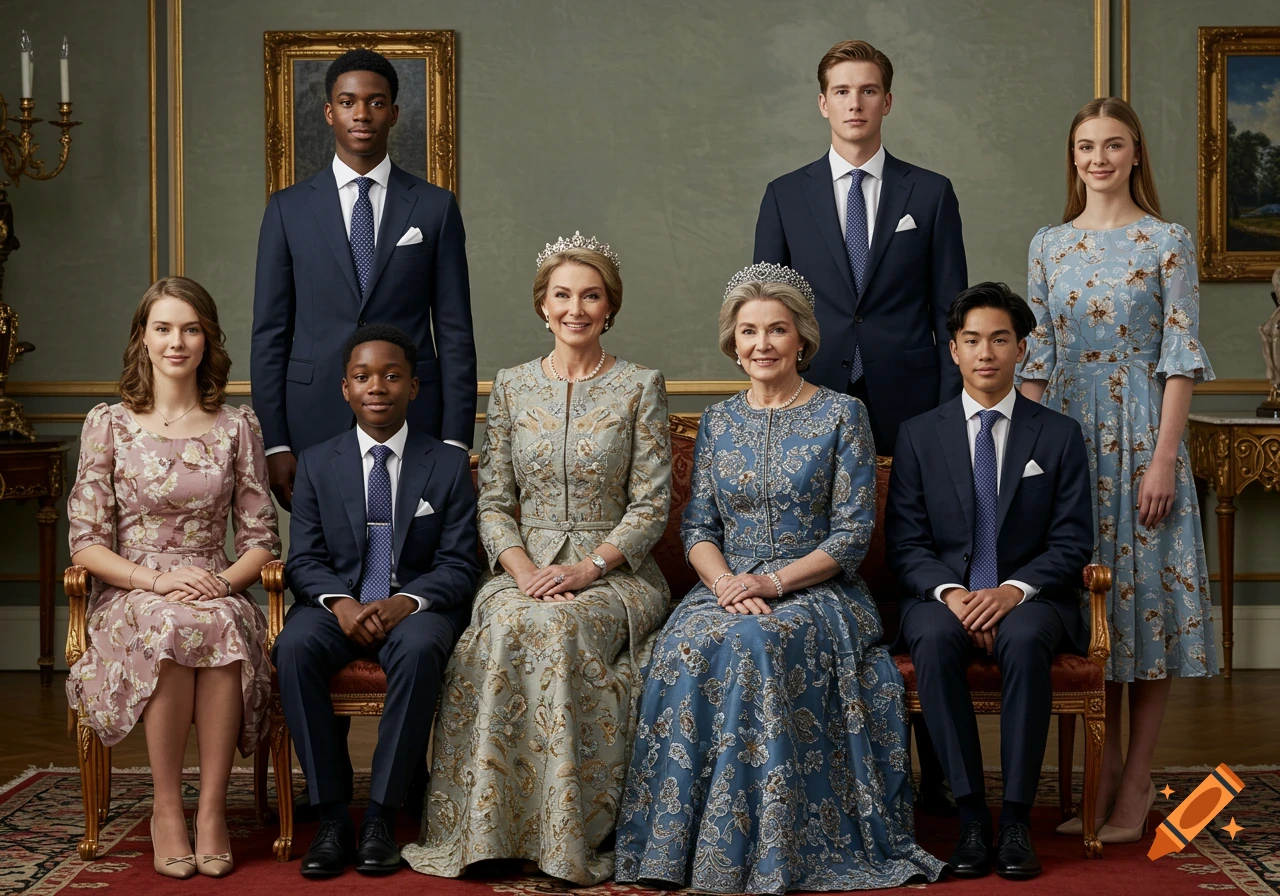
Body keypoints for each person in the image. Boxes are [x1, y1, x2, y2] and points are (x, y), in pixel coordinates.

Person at [614, 263, 944, 894]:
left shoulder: (842, 415)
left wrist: (770, 585)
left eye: (777, 330)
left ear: (802, 341)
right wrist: (724, 585)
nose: (762, 343)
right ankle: (680, 851)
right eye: (748, 331)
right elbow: (698, 531)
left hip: (817, 593)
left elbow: (850, 537)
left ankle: (768, 848)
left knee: (755, 644)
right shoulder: (717, 421)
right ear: (732, 343)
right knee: (684, 643)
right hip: (726, 589)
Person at [402, 233, 672, 885]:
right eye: (562, 295)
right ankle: (491, 832)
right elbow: (492, 499)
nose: (575, 307)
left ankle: (566, 838)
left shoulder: (640, 385)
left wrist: (589, 569)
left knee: (555, 628)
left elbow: (652, 505)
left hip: (617, 574)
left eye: (590, 295)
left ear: (609, 307)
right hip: (522, 569)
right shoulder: (515, 387)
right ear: (542, 306)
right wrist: (520, 571)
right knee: (505, 624)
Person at [1019, 97, 1218, 844]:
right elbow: (1034, 361)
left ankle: (1134, 788)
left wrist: (1164, 459)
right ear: (1072, 158)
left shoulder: (1167, 241)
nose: (1098, 158)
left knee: (1146, 611)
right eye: (1084, 147)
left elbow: (1180, 355)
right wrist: (1025, 460)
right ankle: (1089, 785)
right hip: (1067, 436)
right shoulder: (1047, 244)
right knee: (1081, 606)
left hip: (1142, 432)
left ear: (1136, 154)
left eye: (1113, 145)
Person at [65, 277, 281, 879]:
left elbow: (262, 539)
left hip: (216, 583)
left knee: (214, 623)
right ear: (143, 339)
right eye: (163, 328)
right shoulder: (107, 423)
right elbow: (85, 543)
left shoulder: (238, 425)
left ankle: (210, 810)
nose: (177, 342)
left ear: (208, 340)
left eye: (190, 329)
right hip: (132, 589)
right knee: (170, 622)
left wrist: (225, 583)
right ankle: (166, 808)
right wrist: (154, 582)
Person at [886, 282, 1094, 880]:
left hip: (1033, 596)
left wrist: (1011, 592)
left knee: (1026, 640)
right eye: (972, 339)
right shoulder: (919, 435)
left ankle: (1018, 822)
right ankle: (973, 818)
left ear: (1021, 349)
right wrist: (954, 594)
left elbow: (1072, 540)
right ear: (953, 350)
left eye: (1000, 339)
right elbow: (907, 544)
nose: (986, 352)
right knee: (930, 636)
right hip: (942, 595)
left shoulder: (1056, 434)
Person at [271, 325, 480, 878]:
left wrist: (406, 602)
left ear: (413, 387)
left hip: (414, 612)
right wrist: (340, 603)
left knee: (418, 652)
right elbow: (305, 560)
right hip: (335, 608)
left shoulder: (448, 464)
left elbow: (461, 564)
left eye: (392, 375)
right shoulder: (317, 463)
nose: (377, 387)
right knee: (293, 648)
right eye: (363, 376)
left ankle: (382, 816)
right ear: (345, 389)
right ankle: (334, 816)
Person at [252, 47, 477, 512]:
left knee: (414, 551)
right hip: (313, 413)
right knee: (323, 558)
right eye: (349, 101)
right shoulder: (287, 210)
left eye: (375, 102)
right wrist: (275, 444)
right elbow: (270, 334)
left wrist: (456, 440)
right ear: (329, 112)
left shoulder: (434, 207)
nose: (362, 113)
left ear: (394, 113)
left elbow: (455, 332)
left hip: (415, 410)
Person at [753, 39, 967, 456]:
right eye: (842, 92)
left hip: (912, 398)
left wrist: (950, 404)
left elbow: (950, 311)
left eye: (868, 91)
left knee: (911, 520)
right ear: (822, 103)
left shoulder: (930, 193)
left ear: (886, 102)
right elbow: (764, 311)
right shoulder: (785, 196)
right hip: (809, 391)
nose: (855, 104)